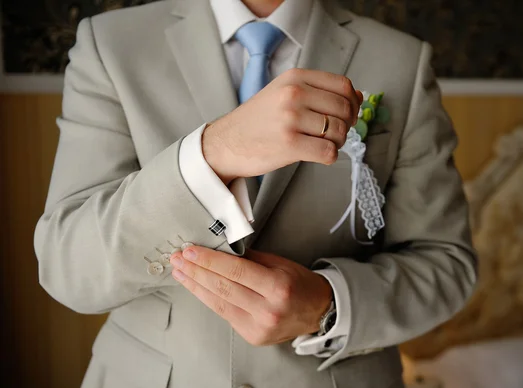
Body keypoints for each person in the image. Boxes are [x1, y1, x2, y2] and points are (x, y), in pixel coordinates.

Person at [34, 0, 478, 387]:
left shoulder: (402, 60)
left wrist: (328, 305)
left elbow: (446, 262)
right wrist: (216, 153)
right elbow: (68, 266)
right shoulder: (110, 43)